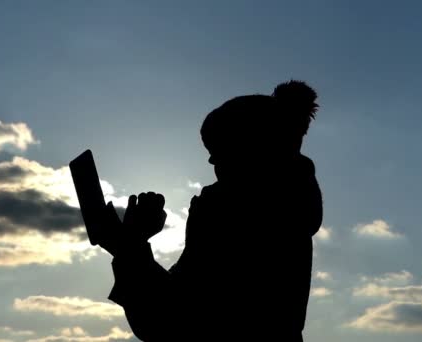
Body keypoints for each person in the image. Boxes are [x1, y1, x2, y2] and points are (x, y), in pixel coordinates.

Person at [99, 80, 323, 341]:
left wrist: (131, 246)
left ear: (252, 148)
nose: (211, 160)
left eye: (219, 149)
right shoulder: (287, 210)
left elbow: (170, 322)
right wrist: (130, 246)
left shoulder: (228, 214)